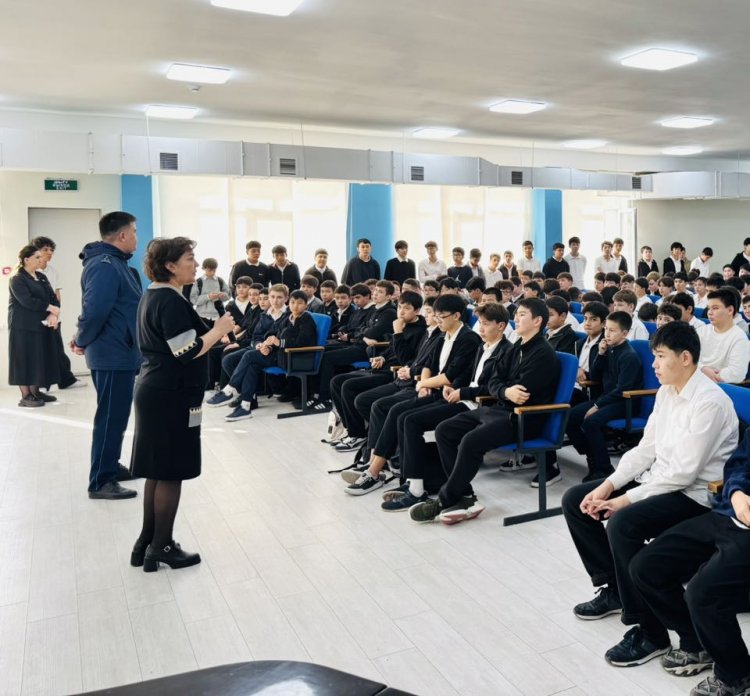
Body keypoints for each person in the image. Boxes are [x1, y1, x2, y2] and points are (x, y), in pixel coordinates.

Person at [561, 322, 738, 669]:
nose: (653, 364)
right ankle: (616, 588)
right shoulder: (667, 392)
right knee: (576, 501)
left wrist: (623, 500)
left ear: (685, 358)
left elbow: (683, 473)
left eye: (660, 356)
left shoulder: (710, 403)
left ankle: (650, 630)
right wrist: (608, 485)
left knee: (622, 524)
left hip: (696, 494)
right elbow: (646, 450)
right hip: (661, 480)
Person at [130, 236, 236, 572]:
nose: (196, 264)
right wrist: (218, 330)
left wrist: (213, 331)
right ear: (170, 266)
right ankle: (162, 546)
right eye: (190, 259)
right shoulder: (169, 301)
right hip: (170, 395)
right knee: (171, 471)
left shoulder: (155, 295)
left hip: (156, 390)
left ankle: (147, 543)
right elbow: (186, 351)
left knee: (157, 470)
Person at [409, 298, 560, 524]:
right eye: (516, 314)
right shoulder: (517, 346)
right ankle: (464, 495)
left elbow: (522, 394)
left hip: (524, 419)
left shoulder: (543, 353)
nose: (516, 318)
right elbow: (495, 382)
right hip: (500, 410)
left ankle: (445, 499)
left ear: (537, 321)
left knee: (470, 441)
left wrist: (505, 390)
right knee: (445, 430)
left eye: (522, 315)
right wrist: (505, 391)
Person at [630, 426, 750, 693]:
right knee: (646, 566)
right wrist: (736, 493)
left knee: (703, 594)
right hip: (728, 514)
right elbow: (739, 465)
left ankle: (737, 676)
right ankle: (698, 643)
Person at [382, 302, 514, 512]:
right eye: (480, 323)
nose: (480, 328)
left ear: (501, 326)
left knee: (412, 421)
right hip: (463, 398)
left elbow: (492, 387)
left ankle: (417, 489)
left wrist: (462, 392)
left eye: (486, 324)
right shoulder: (483, 346)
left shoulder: (506, 351)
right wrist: (453, 388)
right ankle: (413, 481)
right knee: (404, 418)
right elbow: (469, 377)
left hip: (477, 406)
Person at [71, 211, 142, 500]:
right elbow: (94, 311)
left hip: (119, 351)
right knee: (110, 417)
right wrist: (81, 339)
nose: (137, 237)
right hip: (112, 354)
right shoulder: (104, 265)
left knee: (117, 416)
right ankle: (101, 480)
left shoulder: (116, 263)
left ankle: (109, 466)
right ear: (122, 235)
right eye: (134, 231)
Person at [557, 311, 642, 482]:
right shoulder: (609, 350)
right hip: (608, 398)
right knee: (570, 416)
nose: (607, 334)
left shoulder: (628, 355)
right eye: (606, 329)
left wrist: (597, 406)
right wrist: (601, 354)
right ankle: (592, 456)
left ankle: (604, 468)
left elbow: (622, 390)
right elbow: (595, 377)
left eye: (612, 331)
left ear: (624, 333)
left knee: (591, 422)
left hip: (626, 402)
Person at [8, 245, 61, 408]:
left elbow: (53, 298)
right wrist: (49, 307)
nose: (41, 259)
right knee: (24, 359)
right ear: (26, 259)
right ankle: (26, 396)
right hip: (22, 327)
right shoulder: (17, 278)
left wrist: (53, 314)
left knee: (38, 358)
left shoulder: (41, 277)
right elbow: (27, 301)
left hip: (40, 325)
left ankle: (36, 392)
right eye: (37, 257)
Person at [31, 235, 86, 390]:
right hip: (36, 318)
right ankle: (41, 385)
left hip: (54, 317)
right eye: (45, 249)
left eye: (51, 250)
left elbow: (57, 295)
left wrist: (55, 315)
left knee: (57, 350)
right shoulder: (30, 272)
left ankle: (66, 380)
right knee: (41, 352)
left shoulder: (52, 271)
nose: (49, 253)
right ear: (36, 252)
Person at [697, 288, 750, 384]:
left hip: (721, 386)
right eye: (709, 308)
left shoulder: (739, 338)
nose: (709, 312)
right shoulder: (701, 331)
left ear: (730, 310)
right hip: (698, 380)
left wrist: (711, 375)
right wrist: (703, 369)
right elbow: (689, 359)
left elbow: (737, 373)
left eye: (715, 308)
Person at [189, 257, 229, 326]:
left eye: (214, 270)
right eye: (210, 270)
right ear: (204, 268)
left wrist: (223, 295)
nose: (212, 272)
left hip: (218, 315)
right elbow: (193, 299)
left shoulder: (220, 281)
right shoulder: (199, 282)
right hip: (202, 316)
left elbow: (228, 295)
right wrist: (208, 297)